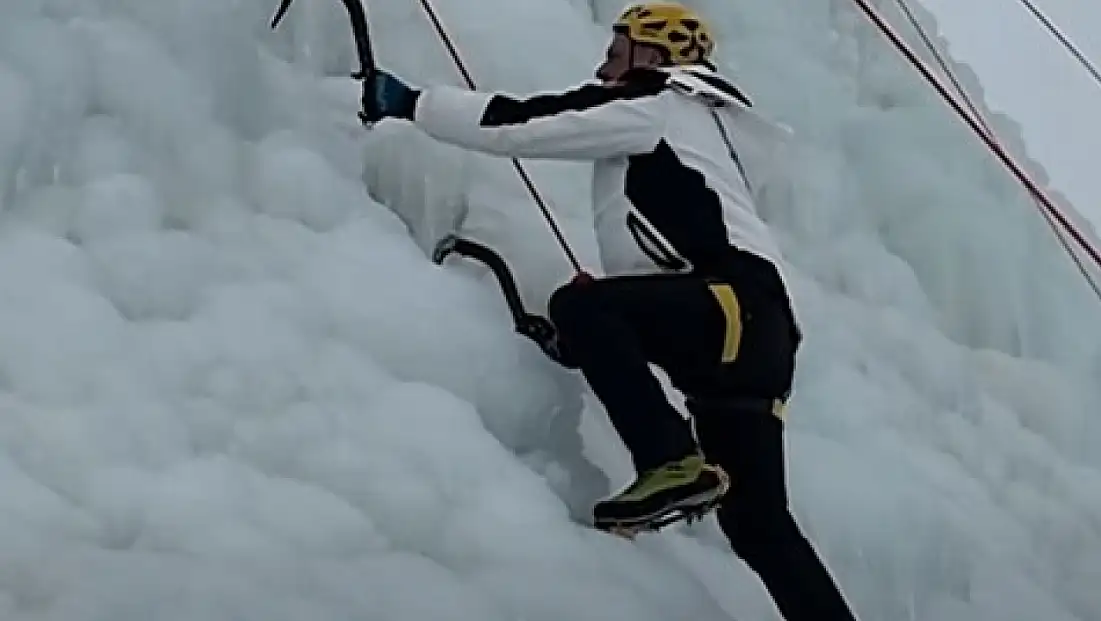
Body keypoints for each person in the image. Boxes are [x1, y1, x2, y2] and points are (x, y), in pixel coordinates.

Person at [357, 3, 858, 619]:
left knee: (583, 305)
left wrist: (413, 104)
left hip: (729, 305)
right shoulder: (704, 131)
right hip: (756, 333)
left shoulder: (659, 101)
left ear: (654, 55)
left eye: (617, 50)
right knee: (759, 527)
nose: (604, 65)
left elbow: (522, 124)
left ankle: (667, 458)